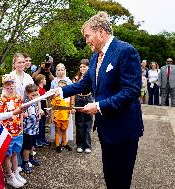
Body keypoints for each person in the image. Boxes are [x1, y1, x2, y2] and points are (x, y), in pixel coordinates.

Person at [53, 11, 144, 189]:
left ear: (100, 32)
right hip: (105, 129)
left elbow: (132, 90)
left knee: (121, 180)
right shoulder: (96, 57)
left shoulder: (126, 51)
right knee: (110, 177)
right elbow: (85, 83)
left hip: (123, 129)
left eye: (88, 36)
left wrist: (99, 106)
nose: (86, 41)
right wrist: (60, 91)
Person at [0, 74, 26, 188]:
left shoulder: (19, 98)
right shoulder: (1, 100)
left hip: (18, 131)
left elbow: (21, 114)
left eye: (11, 83)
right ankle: (9, 176)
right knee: (7, 155)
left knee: (15, 153)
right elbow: (1, 116)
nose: (9, 86)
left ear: (14, 84)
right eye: (7, 84)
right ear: (4, 86)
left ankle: (15, 173)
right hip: (7, 133)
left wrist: (21, 127)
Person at [72, 59, 93, 153]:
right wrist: (72, 104)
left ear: (88, 67)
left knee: (88, 123)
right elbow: (72, 92)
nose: (82, 68)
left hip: (88, 98)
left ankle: (87, 145)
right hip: (78, 99)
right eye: (80, 67)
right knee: (79, 123)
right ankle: (80, 145)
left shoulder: (92, 77)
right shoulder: (76, 78)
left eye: (84, 66)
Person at [22, 84, 41, 174]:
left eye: (36, 95)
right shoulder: (25, 103)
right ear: (27, 94)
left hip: (34, 128)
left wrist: (40, 112)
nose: (35, 97)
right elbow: (21, 113)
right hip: (27, 130)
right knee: (27, 147)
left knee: (33, 145)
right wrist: (24, 114)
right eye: (33, 95)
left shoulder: (35, 101)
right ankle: (25, 163)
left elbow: (38, 109)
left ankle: (31, 158)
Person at [51, 80, 73, 153]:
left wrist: (72, 110)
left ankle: (65, 143)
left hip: (66, 117)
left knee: (64, 131)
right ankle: (57, 145)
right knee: (57, 131)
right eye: (60, 87)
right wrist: (52, 117)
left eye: (63, 87)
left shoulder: (68, 97)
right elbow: (53, 108)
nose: (61, 88)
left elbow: (71, 107)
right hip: (57, 117)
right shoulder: (56, 97)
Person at [35, 74, 50, 147]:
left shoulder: (44, 89)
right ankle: (38, 140)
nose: (45, 81)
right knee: (40, 124)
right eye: (44, 79)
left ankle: (43, 138)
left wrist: (47, 109)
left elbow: (46, 100)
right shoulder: (38, 89)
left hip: (44, 107)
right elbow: (39, 101)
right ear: (41, 80)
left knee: (43, 124)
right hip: (40, 107)